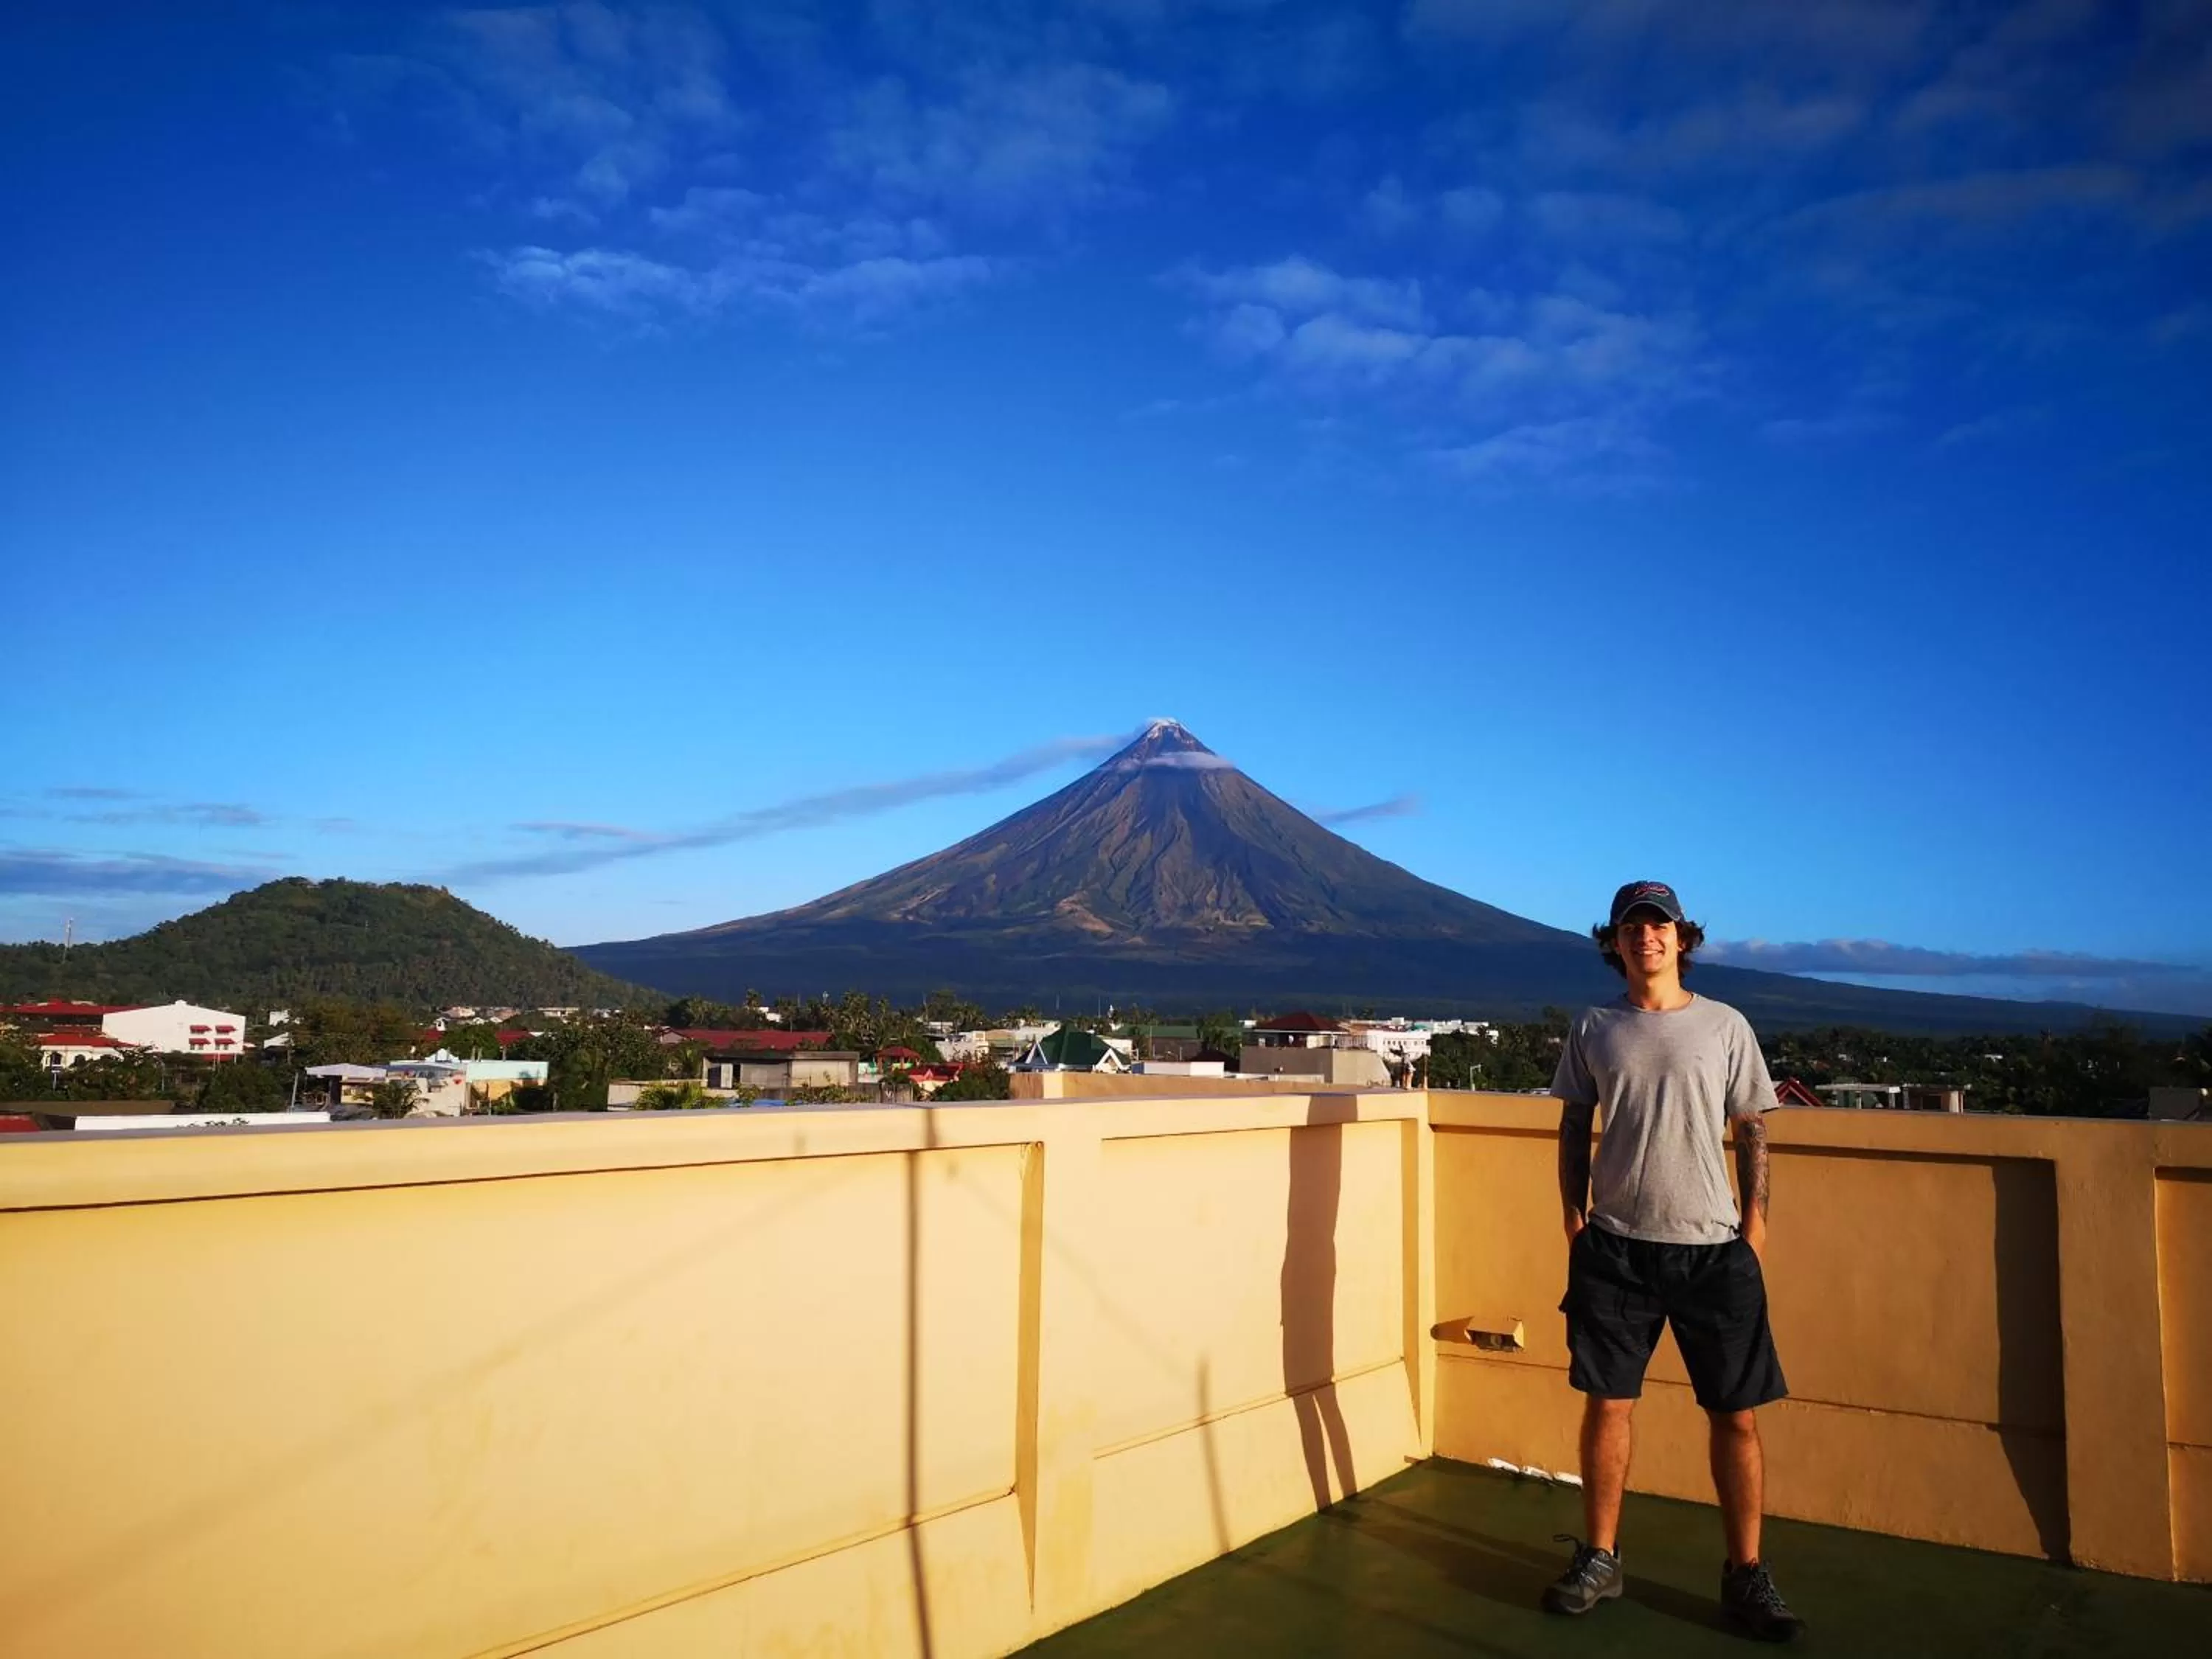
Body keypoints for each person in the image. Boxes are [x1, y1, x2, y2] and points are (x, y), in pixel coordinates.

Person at [1540, 880, 1804, 1643]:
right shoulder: (1594, 1027)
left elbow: (1752, 1129)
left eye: (1659, 925)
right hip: (1615, 1251)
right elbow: (1574, 1124)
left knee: (1736, 1416)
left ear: (1682, 939)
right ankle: (1600, 1558)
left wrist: (1755, 1227)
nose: (1646, 936)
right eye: (1632, 926)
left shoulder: (1725, 1025)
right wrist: (1573, 1216)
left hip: (1714, 1254)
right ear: (1614, 942)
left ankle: (1747, 1573)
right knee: (1608, 1406)